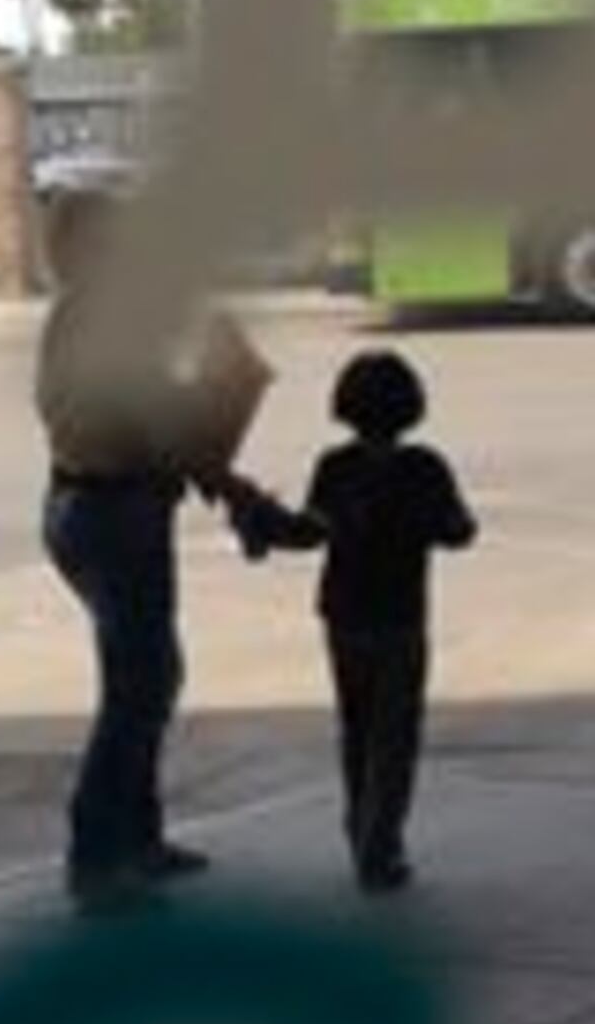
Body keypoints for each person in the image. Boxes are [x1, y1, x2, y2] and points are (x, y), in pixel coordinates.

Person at [34, 189, 265, 913]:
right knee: (138, 687)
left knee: (146, 677)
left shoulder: (78, 320)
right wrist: (235, 480)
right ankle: (98, 856)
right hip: (114, 512)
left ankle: (136, 838)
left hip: (92, 506)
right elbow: (160, 425)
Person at [230, 350, 479, 893]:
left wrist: (260, 519)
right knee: (395, 735)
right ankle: (381, 844)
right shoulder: (424, 468)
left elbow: (310, 532)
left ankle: (359, 828)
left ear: (345, 407)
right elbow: (460, 532)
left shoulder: (333, 467)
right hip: (400, 619)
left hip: (343, 616)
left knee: (357, 728)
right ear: (413, 407)